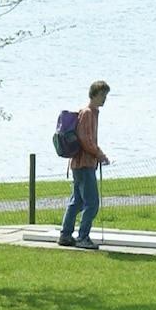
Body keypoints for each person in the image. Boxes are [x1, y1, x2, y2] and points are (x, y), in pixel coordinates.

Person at [57, 80, 111, 250]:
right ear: (94, 95)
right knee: (92, 203)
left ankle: (66, 235)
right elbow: (85, 140)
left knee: (78, 201)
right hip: (84, 164)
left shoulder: (90, 112)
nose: (104, 99)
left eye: (105, 95)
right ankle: (82, 237)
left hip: (79, 164)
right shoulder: (88, 113)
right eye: (102, 95)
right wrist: (100, 154)